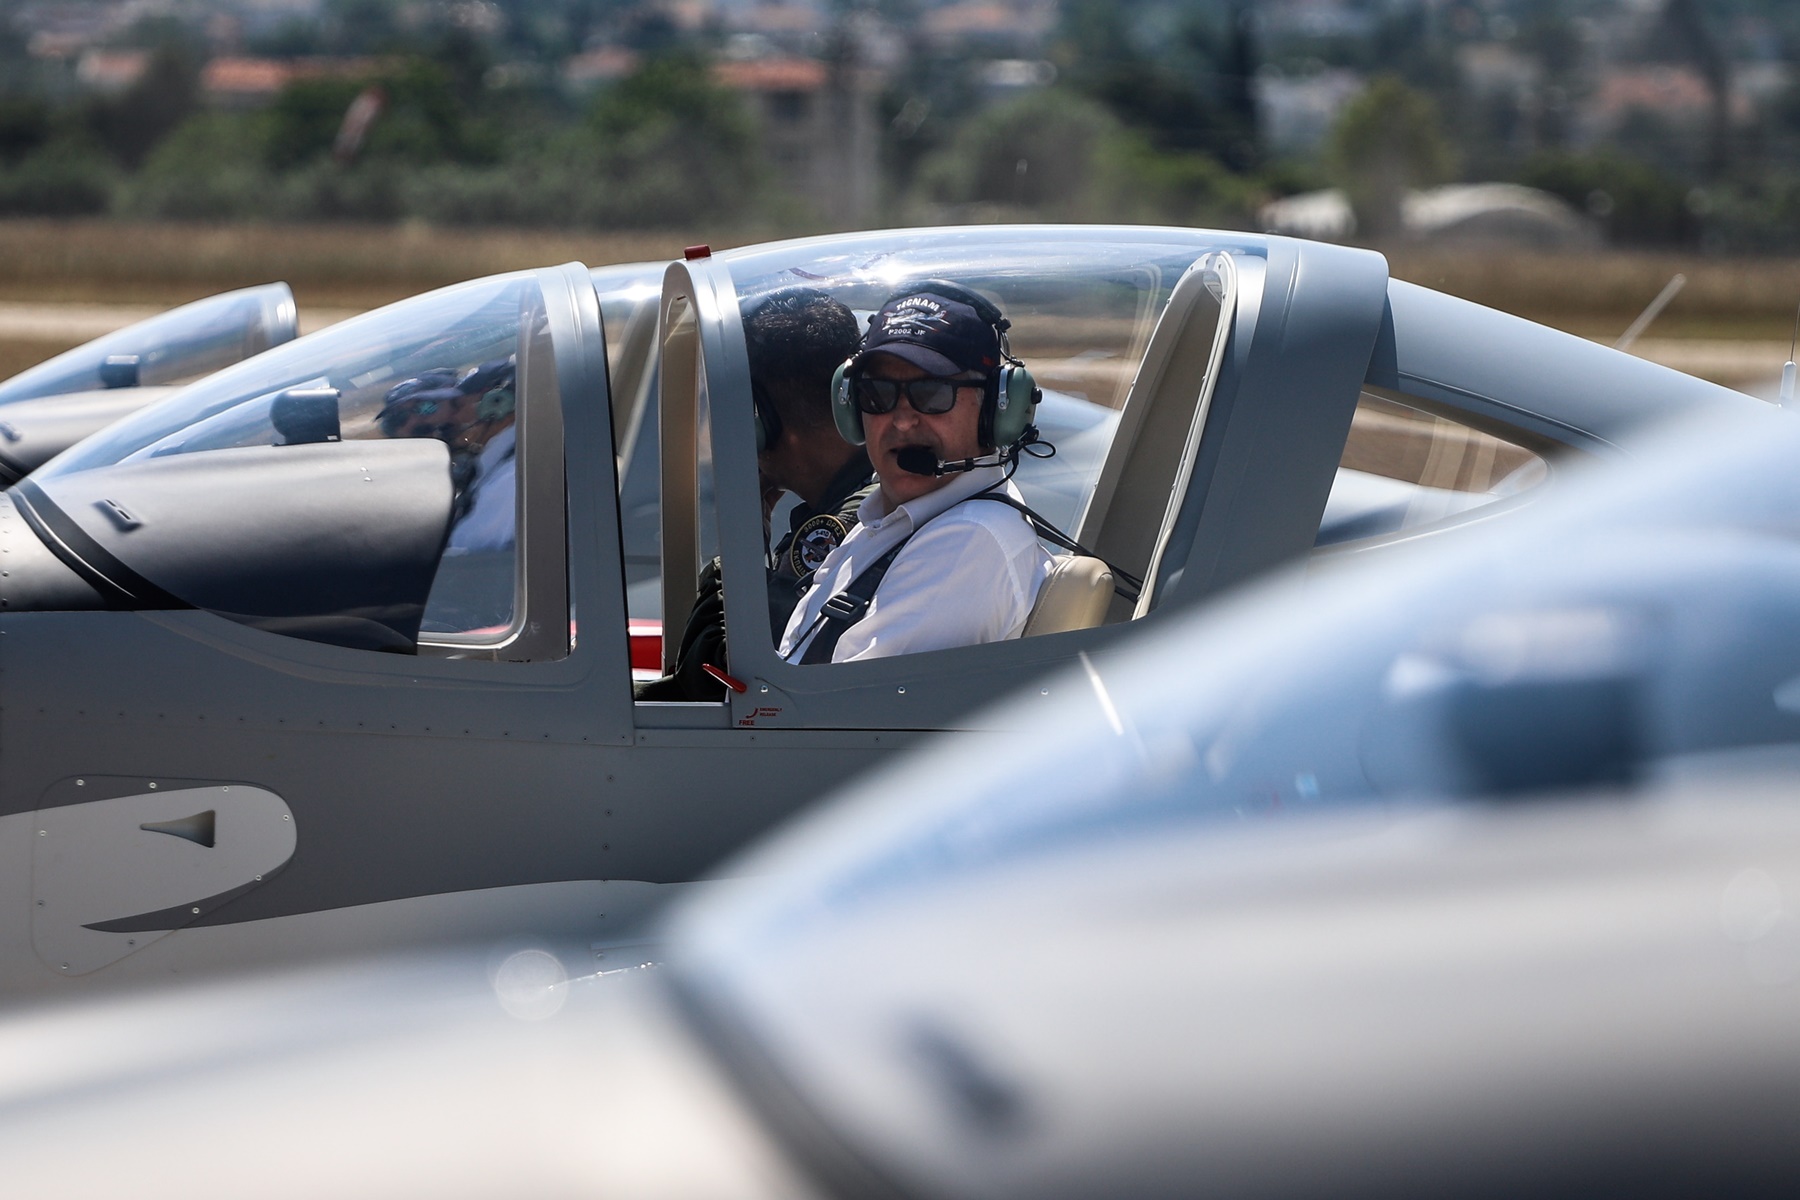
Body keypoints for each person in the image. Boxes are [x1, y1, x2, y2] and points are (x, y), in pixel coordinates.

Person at [777, 284, 1051, 664]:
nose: (903, 421)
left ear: (995, 409)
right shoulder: (893, 521)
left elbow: (839, 711)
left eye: (933, 393)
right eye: (877, 394)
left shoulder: (968, 539)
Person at [636, 288, 870, 700]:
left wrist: (744, 541)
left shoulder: (840, 530)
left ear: (756, 416)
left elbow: (715, 683)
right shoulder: (860, 502)